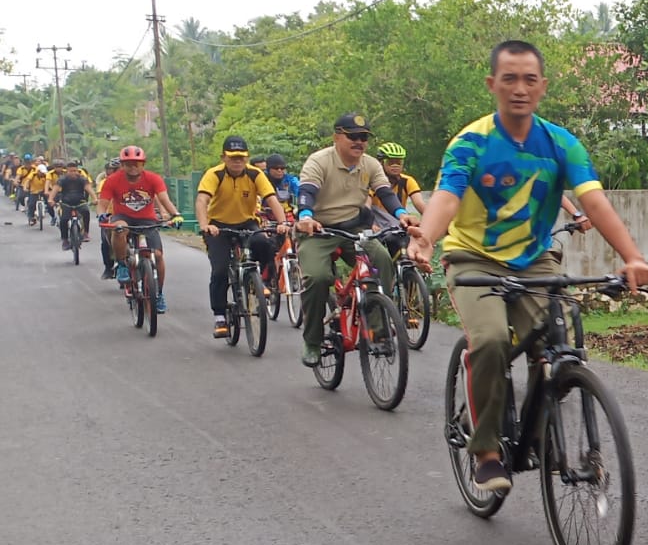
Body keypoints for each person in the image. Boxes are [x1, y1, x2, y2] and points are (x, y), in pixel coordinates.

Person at [407, 39, 648, 492]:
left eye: (529, 80)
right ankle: (485, 450)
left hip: (534, 259)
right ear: (492, 85)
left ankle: (540, 429)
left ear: (542, 86)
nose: (519, 89)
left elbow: (593, 202)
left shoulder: (561, 144)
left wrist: (632, 256)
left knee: (555, 342)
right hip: (472, 257)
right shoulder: (471, 142)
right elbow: (446, 198)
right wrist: (426, 236)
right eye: (509, 79)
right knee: (491, 340)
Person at [294, 113, 418, 367]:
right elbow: (307, 192)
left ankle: (377, 328)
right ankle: (313, 341)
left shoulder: (370, 164)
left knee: (382, 260)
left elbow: (385, 192)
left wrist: (402, 214)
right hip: (319, 230)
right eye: (353, 137)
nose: (359, 142)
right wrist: (306, 216)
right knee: (318, 278)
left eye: (364, 138)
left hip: (355, 228)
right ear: (337, 137)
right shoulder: (319, 161)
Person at [195, 136, 289, 338]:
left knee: (264, 243)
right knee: (219, 270)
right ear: (224, 157)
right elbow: (202, 200)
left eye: (241, 157)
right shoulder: (214, 174)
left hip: (246, 222)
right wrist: (205, 225)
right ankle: (220, 316)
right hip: (218, 225)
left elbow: (271, 199)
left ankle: (261, 282)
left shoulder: (255, 174)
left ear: (247, 158)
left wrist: (282, 222)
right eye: (233, 157)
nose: (237, 161)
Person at [96, 145, 184, 312]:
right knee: (119, 229)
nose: (133, 167)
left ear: (143, 164)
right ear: (122, 165)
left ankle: (158, 293)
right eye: (128, 164)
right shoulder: (112, 180)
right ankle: (122, 264)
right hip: (123, 217)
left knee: (157, 255)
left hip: (147, 219)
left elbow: (164, 199)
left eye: (137, 164)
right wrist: (101, 214)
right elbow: (103, 203)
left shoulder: (153, 178)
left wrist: (176, 214)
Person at [49, 160, 95, 250]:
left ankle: (86, 233)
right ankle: (65, 240)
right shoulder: (62, 179)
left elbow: (89, 189)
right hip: (66, 203)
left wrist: (95, 198)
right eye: (71, 171)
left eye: (75, 171)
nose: (73, 173)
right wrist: (51, 199)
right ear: (67, 171)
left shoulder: (82, 179)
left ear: (77, 170)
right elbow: (55, 189)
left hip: (80, 202)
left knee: (86, 212)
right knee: (63, 220)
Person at [96, 158, 121, 279]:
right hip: (111, 215)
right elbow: (102, 200)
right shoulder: (106, 182)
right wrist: (102, 214)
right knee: (106, 241)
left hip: (130, 216)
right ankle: (108, 267)